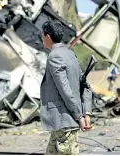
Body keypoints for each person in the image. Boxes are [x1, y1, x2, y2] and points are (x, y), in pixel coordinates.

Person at [40, 21, 92, 155]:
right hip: (62, 125)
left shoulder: (54, 57)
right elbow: (85, 85)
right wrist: (87, 113)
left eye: (42, 35)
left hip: (64, 121)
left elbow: (65, 90)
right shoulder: (70, 54)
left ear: (48, 37)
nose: (41, 38)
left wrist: (80, 116)